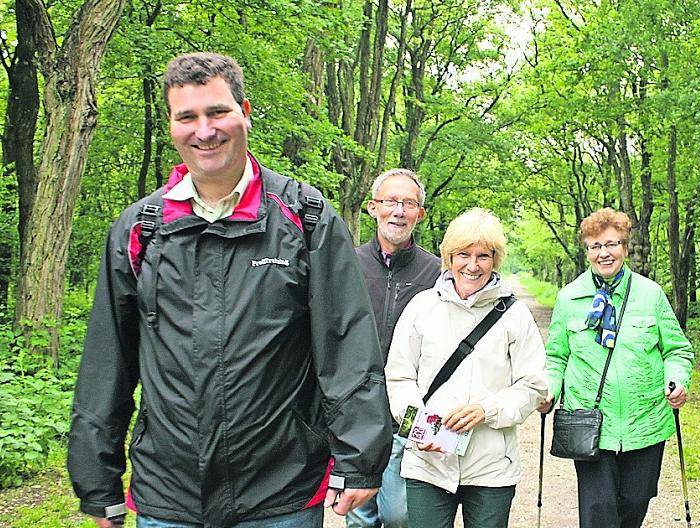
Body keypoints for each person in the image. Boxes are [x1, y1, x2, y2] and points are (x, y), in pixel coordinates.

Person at [67, 52, 392, 528]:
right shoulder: (141, 229)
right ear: (172, 125)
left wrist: (360, 457)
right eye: (187, 117)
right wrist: (98, 482)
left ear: (245, 111)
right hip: (168, 494)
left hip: (280, 491)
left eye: (217, 111)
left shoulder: (304, 217)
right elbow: (107, 359)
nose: (204, 130)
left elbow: (345, 344)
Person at [385, 208, 548, 528]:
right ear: (448, 256)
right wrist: (419, 427)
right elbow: (399, 377)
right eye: (463, 254)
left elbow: (534, 384)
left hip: (492, 468)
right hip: (427, 462)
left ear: (495, 259)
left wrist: (486, 410)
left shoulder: (514, 315)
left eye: (483, 256)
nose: (472, 266)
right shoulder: (422, 307)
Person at [537, 207, 694, 528]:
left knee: (636, 501)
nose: (604, 253)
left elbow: (677, 350)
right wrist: (548, 390)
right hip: (590, 423)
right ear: (587, 252)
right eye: (595, 246)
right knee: (598, 512)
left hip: (646, 421)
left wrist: (677, 379)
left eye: (611, 244)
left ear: (624, 247)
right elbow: (556, 358)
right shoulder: (570, 298)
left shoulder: (649, 295)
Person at [349, 168, 440, 528]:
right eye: (390, 201)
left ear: (420, 213)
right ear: (373, 207)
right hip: (355, 413)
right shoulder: (347, 264)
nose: (398, 211)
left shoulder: (438, 273)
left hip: (408, 411)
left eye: (408, 203)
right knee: (358, 518)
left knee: (400, 515)